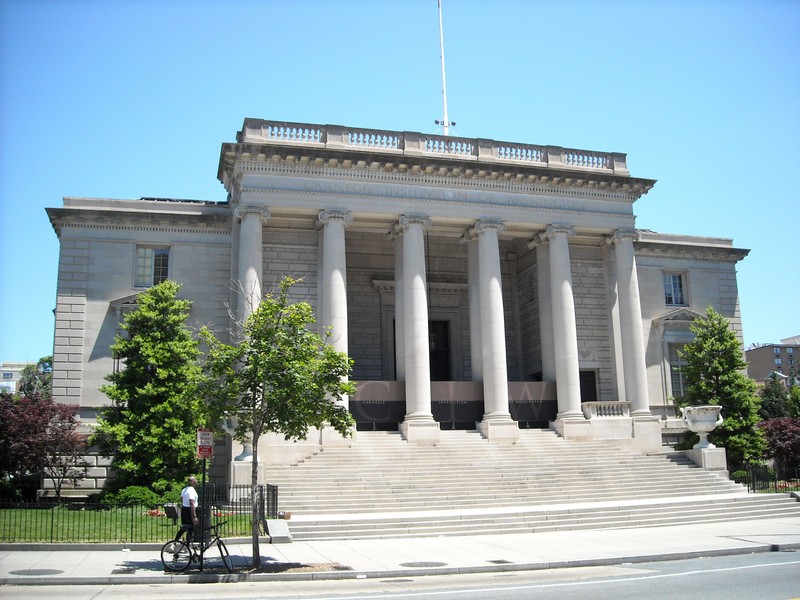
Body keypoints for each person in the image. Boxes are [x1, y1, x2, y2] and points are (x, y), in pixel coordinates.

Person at [180, 476, 199, 542]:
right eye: (195, 480)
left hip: (184, 509)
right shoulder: (191, 491)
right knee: (190, 529)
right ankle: (187, 545)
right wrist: (194, 516)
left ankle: (174, 543)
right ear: (192, 482)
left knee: (184, 528)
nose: (196, 481)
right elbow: (191, 503)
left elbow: (181, 499)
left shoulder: (184, 490)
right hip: (190, 510)